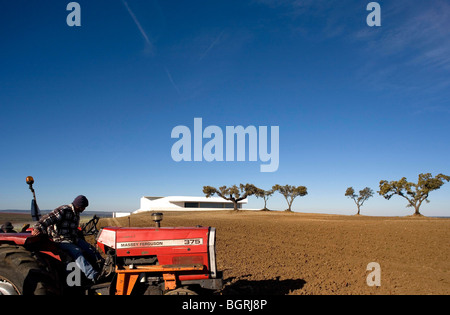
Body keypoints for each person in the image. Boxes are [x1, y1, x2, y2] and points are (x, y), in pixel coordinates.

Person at [32, 195, 102, 283]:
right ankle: (92, 275)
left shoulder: (76, 214)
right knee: (77, 252)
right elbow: (47, 219)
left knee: (91, 249)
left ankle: (103, 267)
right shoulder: (63, 210)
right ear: (79, 206)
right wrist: (37, 228)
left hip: (73, 238)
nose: (84, 209)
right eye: (83, 207)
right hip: (60, 239)